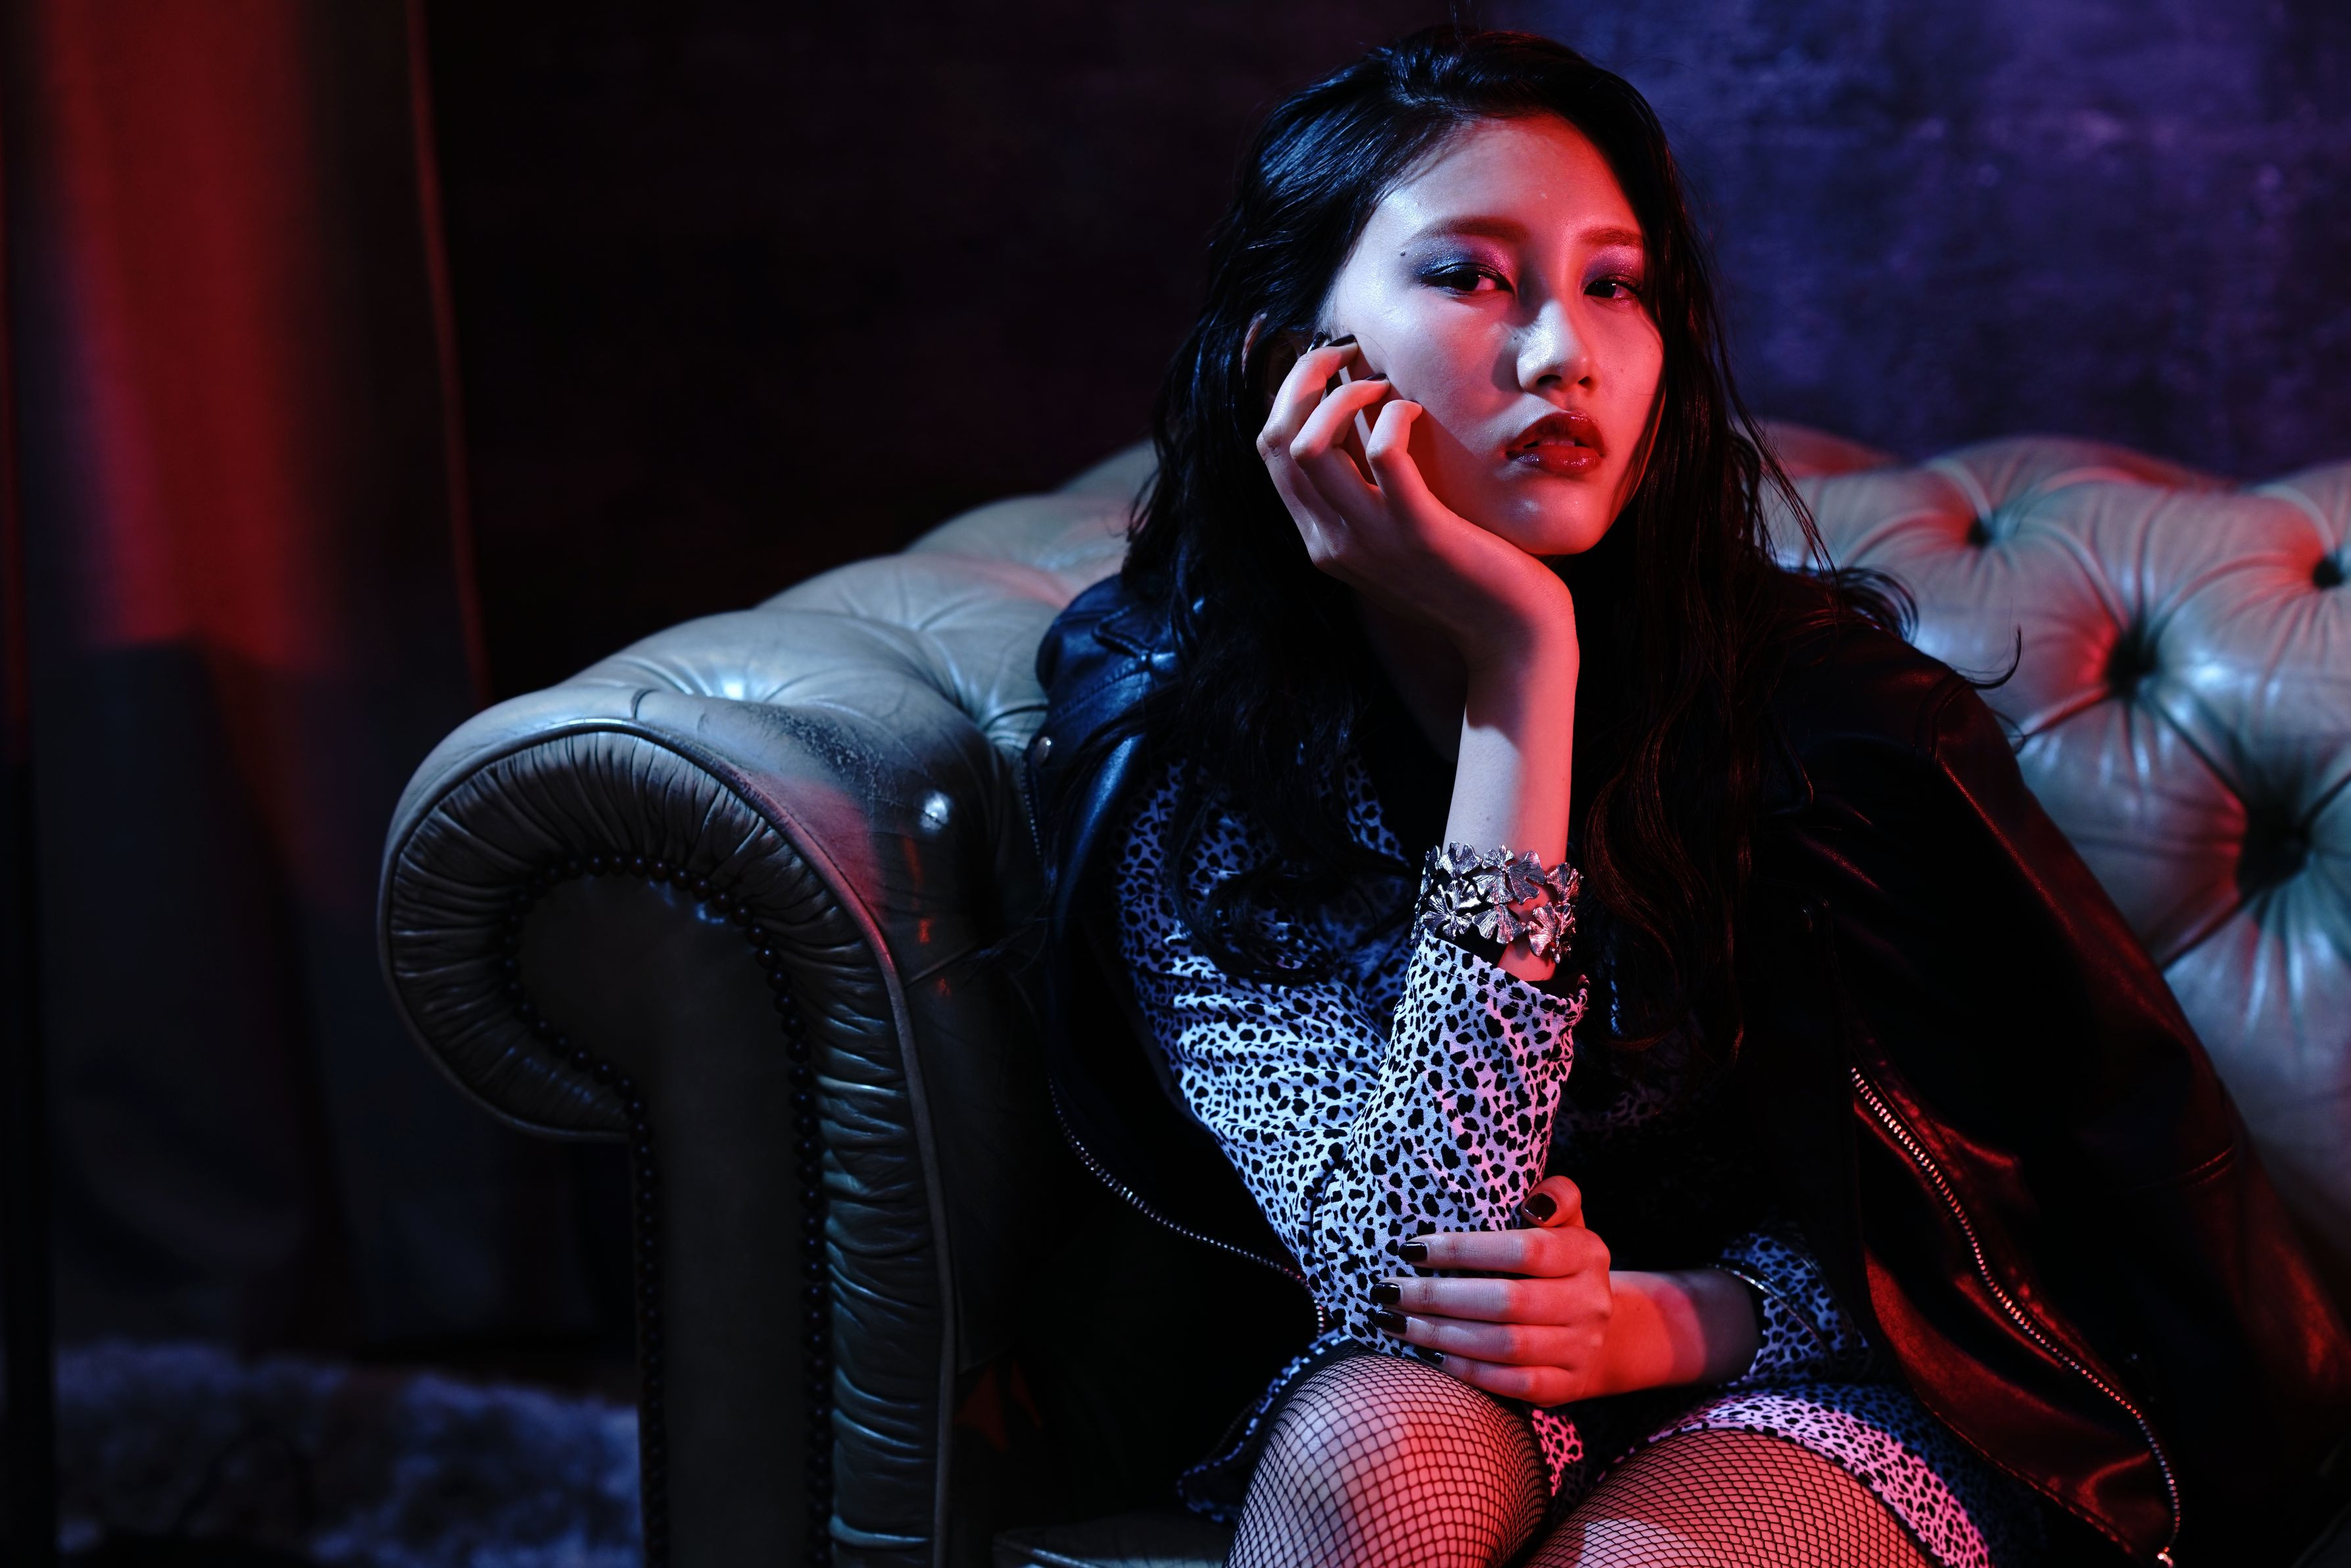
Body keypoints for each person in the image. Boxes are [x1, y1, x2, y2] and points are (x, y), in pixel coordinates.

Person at [1027, 25, 2351, 1568]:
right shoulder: (1182, 737)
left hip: (1841, 1380)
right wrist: (1522, 669)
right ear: (1291, 361)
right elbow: (1415, 1266)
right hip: (1441, 1381)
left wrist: (1669, 1319)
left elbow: (2012, 1232)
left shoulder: (1829, 724)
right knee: (1375, 1455)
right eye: (1472, 276)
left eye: (1618, 284)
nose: (1563, 354)